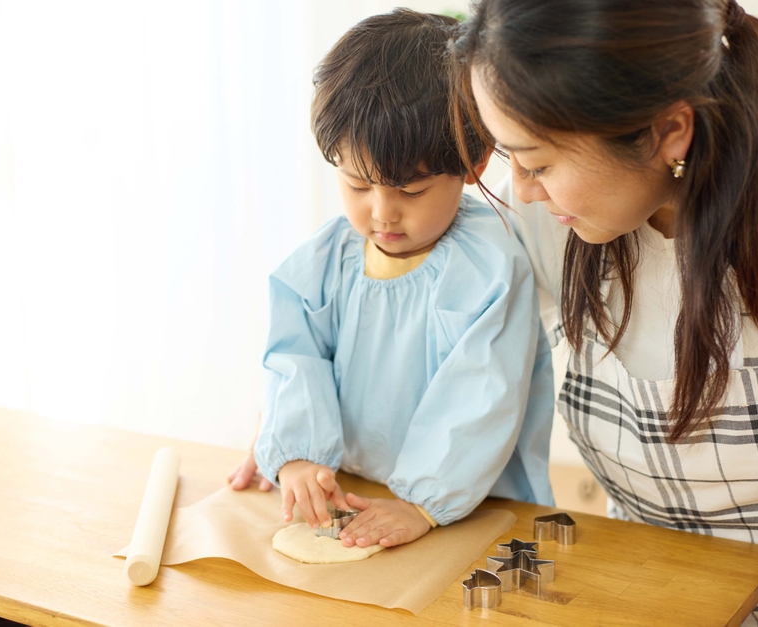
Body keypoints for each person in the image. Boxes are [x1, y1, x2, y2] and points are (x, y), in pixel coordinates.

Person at [454, 0, 758, 623]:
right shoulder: (557, 223)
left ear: (669, 130)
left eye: (539, 162)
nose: (521, 188)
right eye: (507, 153)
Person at [228, 9, 555, 550]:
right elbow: (295, 356)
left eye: (411, 191)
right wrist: (297, 452)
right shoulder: (328, 256)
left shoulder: (489, 266)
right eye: (358, 185)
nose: (382, 214)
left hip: (465, 504)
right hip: (357, 489)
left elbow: (479, 398)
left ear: (471, 161)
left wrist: (421, 503)